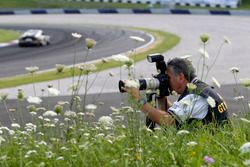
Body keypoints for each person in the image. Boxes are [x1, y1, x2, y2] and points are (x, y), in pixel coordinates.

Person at [123, 57, 229, 127]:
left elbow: (169, 121)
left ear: (181, 77)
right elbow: (181, 113)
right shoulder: (201, 89)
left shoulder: (195, 96)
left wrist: (138, 100)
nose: (166, 81)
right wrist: (162, 97)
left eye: (168, 77)